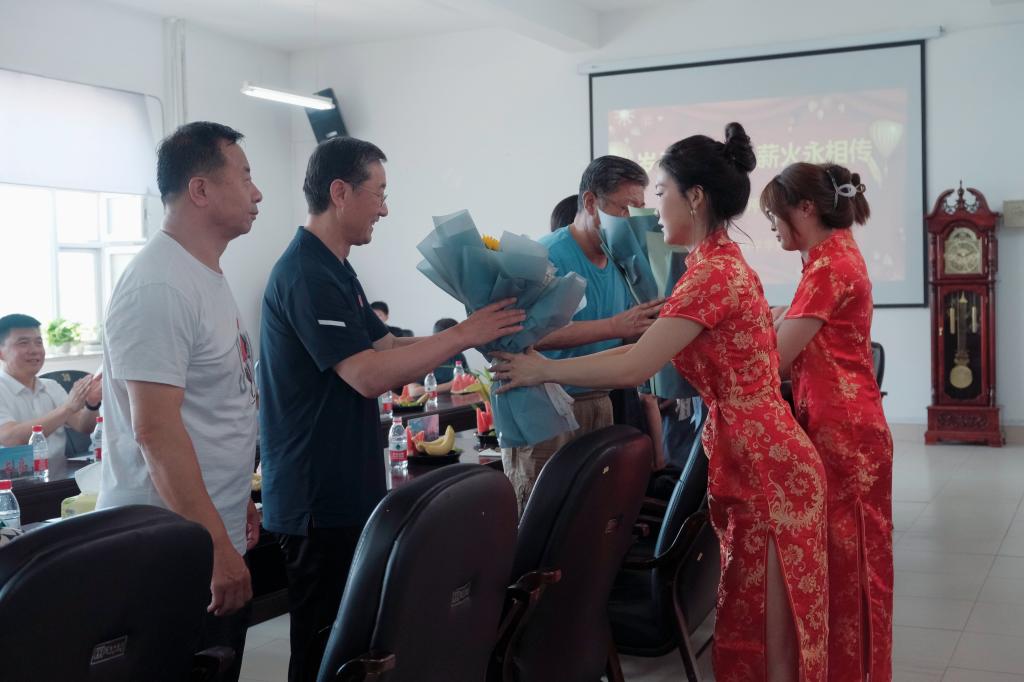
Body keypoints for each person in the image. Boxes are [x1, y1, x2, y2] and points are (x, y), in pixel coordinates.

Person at [493, 124, 829, 681]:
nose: (651, 212)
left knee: (772, 626)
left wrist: (541, 368)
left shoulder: (712, 274)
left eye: (660, 193)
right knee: (756, 615)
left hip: (765, 459)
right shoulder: (712, 264)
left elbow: (636, 366)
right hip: (753, 448)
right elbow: (645, 353)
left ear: (694, 197)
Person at [258, 136, 524, 682]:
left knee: (355, 638)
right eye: (378, 193)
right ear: (340, 192)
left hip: (346, 483)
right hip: (316, 495)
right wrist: (464, 334)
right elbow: (367, 375)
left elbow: (386, 345)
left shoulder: (336, 267)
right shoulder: (306, 272)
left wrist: (472, 334)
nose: (384, 208)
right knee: (322, 647)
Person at [95, 121, 263, 682]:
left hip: (204, 530)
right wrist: (215, 544)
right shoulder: (160, 284)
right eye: (245, 176)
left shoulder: (203, 274)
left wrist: (235, 499)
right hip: (170, 549)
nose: (257, 192)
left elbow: (217, 402)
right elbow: (156, 431)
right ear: (200, 190)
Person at [764, 162, 893, 682]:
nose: (773, 226)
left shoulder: (827, 268)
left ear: (806, 209)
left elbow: (777, 358)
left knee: (849, 567)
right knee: (850, 563)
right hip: (844, 421)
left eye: (775, 215)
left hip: (844, 433)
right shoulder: (832, 255)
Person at [501, 156, 663, 512]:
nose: (631, 221)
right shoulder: (547, 256)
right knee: (541, 518)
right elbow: (525, 335)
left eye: (638, 211)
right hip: (546, 409)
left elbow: (626, 334)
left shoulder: (622, 259)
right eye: (624, 209)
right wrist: (615, 326)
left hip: (599, 400)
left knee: (591, 521)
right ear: (590, 202)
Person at [0, 314, 101, 454]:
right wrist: (67, 408)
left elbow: (84, 427)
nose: (34, 350)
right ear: (1, 353)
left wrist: (92, 404)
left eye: (38, 342)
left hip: (61, 469)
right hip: (15, 469)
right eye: (23, 343)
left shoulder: (51, 386)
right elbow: (10, 438)